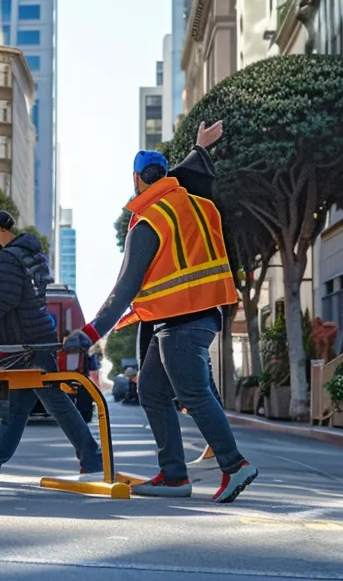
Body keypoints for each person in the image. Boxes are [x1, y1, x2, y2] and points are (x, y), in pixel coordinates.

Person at [61, 143, 258, 504]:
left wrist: (89, 333)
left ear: (136, 179)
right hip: (200, 315)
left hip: (180, 320)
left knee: (194, 393)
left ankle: (234, 464)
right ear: (165, 175)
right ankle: (174, 475)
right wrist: (201, 146)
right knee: (151, 389)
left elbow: (125, 289)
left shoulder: (150, 220)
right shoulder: (201, 206)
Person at [0, 210, 103, 484]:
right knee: (17, 408)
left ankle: (92, 457)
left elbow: (4, 302)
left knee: (54, 401)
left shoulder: (6, 259)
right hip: (34, 339)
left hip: (28, 344)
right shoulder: (31, 255)